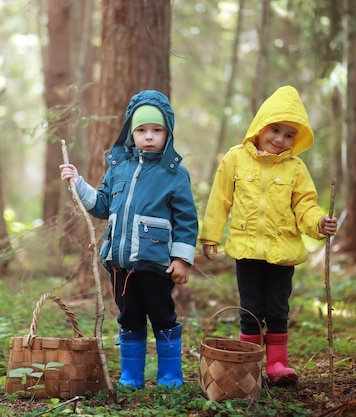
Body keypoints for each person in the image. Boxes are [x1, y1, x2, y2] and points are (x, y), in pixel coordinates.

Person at [198, 85, 338, 385]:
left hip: (282, 251)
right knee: (250, 310)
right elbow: (220, 199)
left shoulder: (295, 168)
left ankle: (276, 365)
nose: (280, 139)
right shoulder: (235, 159)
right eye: (275, 130)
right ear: (261, 125)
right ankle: (247, 364)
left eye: (289, 135)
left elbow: (305, 205)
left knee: (277, 309)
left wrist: (319, 223)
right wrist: (210, 235)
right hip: (247, 250)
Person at [60, 89, 198, 389]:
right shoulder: (118, 168)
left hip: (157, 263)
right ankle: (131, 376)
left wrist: (181, 259)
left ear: (167, 132)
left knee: (163, 316)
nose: (149, 136)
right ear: (131, 133)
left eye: (156, 130)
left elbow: (186, 219)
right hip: (121, 264)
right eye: (142, 130)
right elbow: (102, 205)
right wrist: (78, 183)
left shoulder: (174, 173)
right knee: (129, 317)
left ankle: (170, 376)